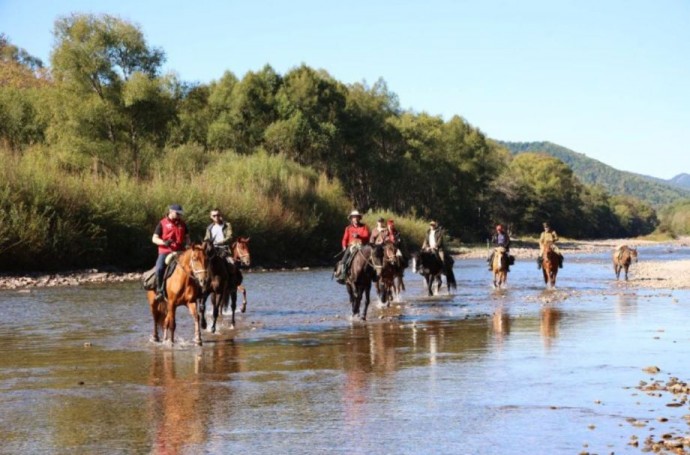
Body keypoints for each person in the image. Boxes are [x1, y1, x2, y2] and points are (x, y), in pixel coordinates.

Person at [152, 204, 191, 301]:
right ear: (170, 211)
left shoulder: (183, 224)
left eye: (180, 214)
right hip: (166, 251)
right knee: (160, 268)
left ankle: (197, 290)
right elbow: (154, 239)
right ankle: (160, 290)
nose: (179, 215)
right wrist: (164, 242)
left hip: (180, 251)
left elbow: (187, 238)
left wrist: (187, 245)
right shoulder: (162, 223)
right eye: (177, 213)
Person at [335, 210, 371, 283]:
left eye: (357, 217)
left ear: (359, 218)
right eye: (354, 217)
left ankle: (374, 274)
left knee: (371, 258)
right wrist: (344, 246)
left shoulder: (364, 227)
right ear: (351, 219)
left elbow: (367, 236)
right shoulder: (348, 228)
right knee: (344, 259)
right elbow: (344, 239)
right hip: (352, 246)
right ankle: (343, 275)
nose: (355, 219)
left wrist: (359, 236)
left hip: (362, 246)